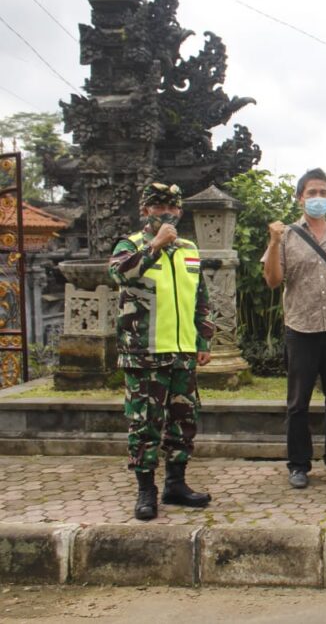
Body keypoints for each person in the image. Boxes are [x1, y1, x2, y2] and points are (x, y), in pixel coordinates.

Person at [109, 182, 214, 521]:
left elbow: (201, 298)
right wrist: (155, 245)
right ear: (145, 212)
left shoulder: (188, 248)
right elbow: (119, 274)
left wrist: (203, 340)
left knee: (184, 422)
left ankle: (176, 484)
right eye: (158, 208)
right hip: (145, 352)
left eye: (172, 208)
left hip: (183, 351)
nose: (166, 213)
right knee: (145, 425)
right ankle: (145, 490)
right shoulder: (131, 245)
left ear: (180, 211)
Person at [263, 168, 326, 489]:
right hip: (301, 328)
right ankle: (298, 464)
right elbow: (273, 280)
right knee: (298, 403)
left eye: (323, 193)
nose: (318, 198)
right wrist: (274, 241)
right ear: (299, 198)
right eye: (311, 193)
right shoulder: (286, 236)